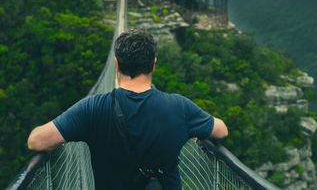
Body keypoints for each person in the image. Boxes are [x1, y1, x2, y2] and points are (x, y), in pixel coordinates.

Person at [27, 29, 228, 190]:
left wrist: (60, 137)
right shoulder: (180, 107)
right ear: (154, 64)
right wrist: (198, 130)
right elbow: (221, 130)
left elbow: (36, 141)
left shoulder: (92, 108)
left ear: (116, 64)